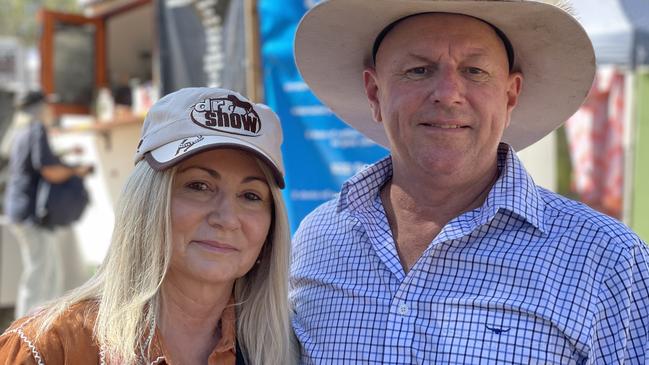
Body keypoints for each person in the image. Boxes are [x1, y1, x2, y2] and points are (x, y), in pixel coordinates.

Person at [290, 1, 649, 364]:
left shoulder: (607, 260)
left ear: (510, 96)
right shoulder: (317, 240)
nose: (447, 93)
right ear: (374, 93)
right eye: (418, 70)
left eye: (475, 71)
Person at [0, 87, 296, 364]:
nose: (228, 219)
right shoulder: (51, 348)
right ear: (146, 202)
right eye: (199, 186)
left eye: (251, 195)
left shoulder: (285, 349)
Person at [2, 91, 93, 318]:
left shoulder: (20, 131)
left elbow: (37, 161)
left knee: (47, 271)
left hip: (21, 210)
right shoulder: (36, 129)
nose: (51, 110)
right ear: (40, 108)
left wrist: (66, 153)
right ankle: (26, 328)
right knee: (41, 273)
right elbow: (49, 170)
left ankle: (39, 324)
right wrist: (76, 170)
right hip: (33, 214)